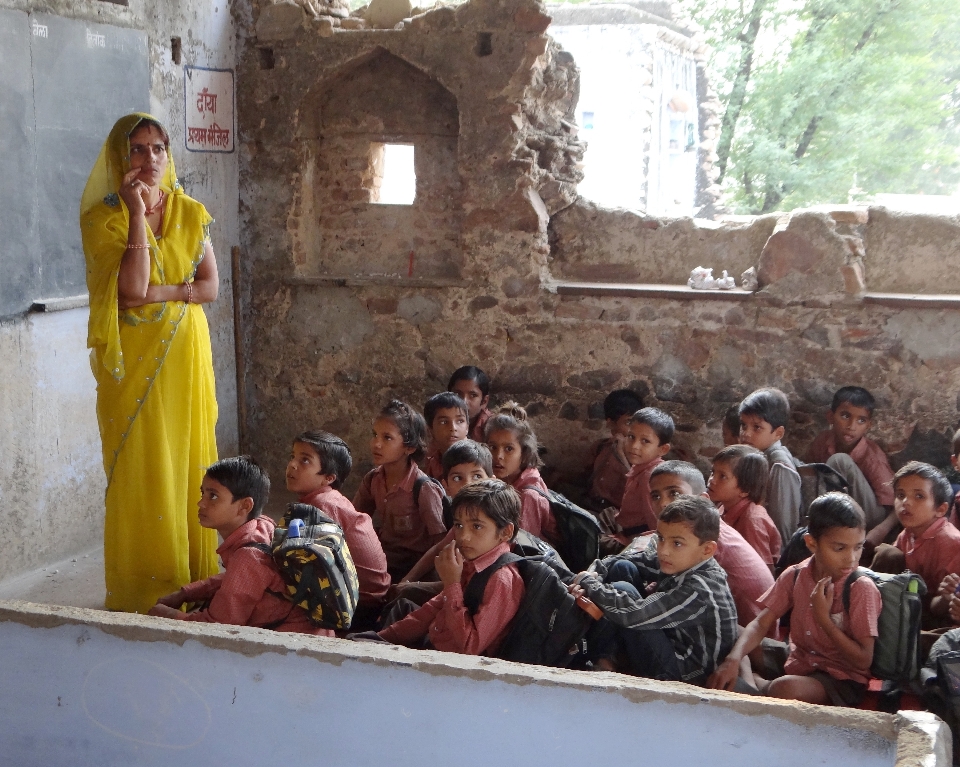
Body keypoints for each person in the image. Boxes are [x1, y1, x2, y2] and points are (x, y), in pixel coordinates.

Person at [80, 113, 220, 613]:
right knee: (141, 466)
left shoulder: (190, 211)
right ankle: (145, 586)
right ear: (122, 158)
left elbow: (209, 287)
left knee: (187, 461)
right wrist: (138, 213)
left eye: (158, 148)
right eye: (137, 150)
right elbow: (130, 290)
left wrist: (166, 295)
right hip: (132, 365)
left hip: (186, 360)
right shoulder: (105, 218)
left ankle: (193, 580)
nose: (149, 159)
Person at [709, 493, 881, 707]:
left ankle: (755, 684)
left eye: (858, 547)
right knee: (734, 631)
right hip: (799, 659)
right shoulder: (796, 575)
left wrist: (824, 620)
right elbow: (762, 622)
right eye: (839, 548)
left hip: (840, 679)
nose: (851, 558)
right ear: (811, 543)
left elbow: (863, 660)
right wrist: (733, 659)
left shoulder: (860, 588)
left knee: (785, 689)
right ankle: (748, 676)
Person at [148, 457, 330, 635]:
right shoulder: (262, 524)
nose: (201, 503)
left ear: (245, 506)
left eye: (213, 496)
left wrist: (171, 616)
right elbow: (237, 578)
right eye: (202, 493)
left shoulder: (249, 556)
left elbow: (218, 628)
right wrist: (186, 593)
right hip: (314, 630)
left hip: (296, 646)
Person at [572, 495, 737, 683]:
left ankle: (600, 661)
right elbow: (623, 561)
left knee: (622, 590)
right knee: (622, 569)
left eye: (677, 543)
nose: (664, 550)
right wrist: (594, 574)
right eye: (661, 538)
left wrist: (588, 583)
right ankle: (608, 658)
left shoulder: (701, 590)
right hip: (670, 640)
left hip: (682, 674)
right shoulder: (682, 559)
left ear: (707, 550)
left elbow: (633, 614)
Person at [376, 480, 525, 656]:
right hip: (435, 642)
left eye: (477, 526)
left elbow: (470, 646)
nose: (463, 536)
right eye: (459, 525)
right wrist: (379, 640)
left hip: (454, 667)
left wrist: (452, 583)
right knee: (399, 609)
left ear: (506, 532)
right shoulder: (475, 562)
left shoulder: (501, 579)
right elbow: (432, 610)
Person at [649, 461, 774, 628]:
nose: (663, 503)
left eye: (675, 494)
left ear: (702, 499)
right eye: (656, 496)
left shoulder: (705, 537)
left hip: (747, 630)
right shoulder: (704, 526)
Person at [286, 430, 389, 628]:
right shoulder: (329, 498)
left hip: (360, 606)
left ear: (329, 477)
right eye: (293, 457)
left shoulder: (321, 507)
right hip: (372, 596)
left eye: (305, 460)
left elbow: (310, 568)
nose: (292, 465)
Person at [353, 400, 447, 582]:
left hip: (415, 567)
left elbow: (440, 544)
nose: (376, 444)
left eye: (387, 438)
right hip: (385, 558)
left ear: (409, 447)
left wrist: (410, 580)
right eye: (375, 435)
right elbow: (354, 521)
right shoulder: (373, 480)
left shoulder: (423, 488)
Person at [805, 386, 895, 544]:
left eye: (861, 420)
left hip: (870, 517)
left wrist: (879, 532)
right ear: (830, 417)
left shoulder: (873, 457)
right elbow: (808, 475)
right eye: (845, 416)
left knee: (839, 461)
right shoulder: (822, 441)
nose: (852, 426)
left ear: (868, 425)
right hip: (839, 512)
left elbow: (894, 505)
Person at [873, 462, 960, 623]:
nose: (905, 502)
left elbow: (942, 608)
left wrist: (946, 597)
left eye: (919, 496)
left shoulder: (953, 544)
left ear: (940, 509)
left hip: (942, 616)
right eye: (900, 495)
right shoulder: (907, 534)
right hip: (909, 604)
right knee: (888, 554)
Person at [485, 402, 559, 546]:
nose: (498, 456)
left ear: (524, 453)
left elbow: (522, 548)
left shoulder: (527, 495)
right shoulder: (502, 479)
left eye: (509, 449)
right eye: (492, 447)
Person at [739, 387, 801, 545]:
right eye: (743, 426)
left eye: (757, 428)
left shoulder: (779, 466)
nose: (746, 433)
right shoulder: (755, 456)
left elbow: (782, 527)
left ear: (778, 433)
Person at [708, 445, 780, 570]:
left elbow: (762, 571)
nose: (712, 480)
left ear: (745, 489)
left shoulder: (752, 520)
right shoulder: (722, 506)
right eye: (713, 472)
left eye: (722, 476)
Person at [616, 407, 674, 537]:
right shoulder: (640, 466)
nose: (634, 446)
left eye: (645, 441)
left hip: (634, 538)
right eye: (631, 437)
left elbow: (654, 521)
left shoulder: (650, 477)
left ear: (663, 449)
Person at [584, 388, 644, 512]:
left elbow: (639, 491)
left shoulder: (640, 454)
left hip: (618, 517)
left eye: (637, 423)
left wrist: (621, 455)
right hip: (592, 508)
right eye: (628, 423)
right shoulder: (600, 447)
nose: (633, 430)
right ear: (611, 423)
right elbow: (585, 478)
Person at [422, 392, 470, 480]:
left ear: (467, 427)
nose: (453, 428)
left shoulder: (477, 460)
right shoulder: (432, 462)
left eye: (460, 421)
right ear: (430, 430)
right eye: (444, 422)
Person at [448, 365, 493, 442]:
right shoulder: (439, 422)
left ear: (484, 402)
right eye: (458, 394)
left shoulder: (492, 429)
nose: (464, 402)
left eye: (473, 395)